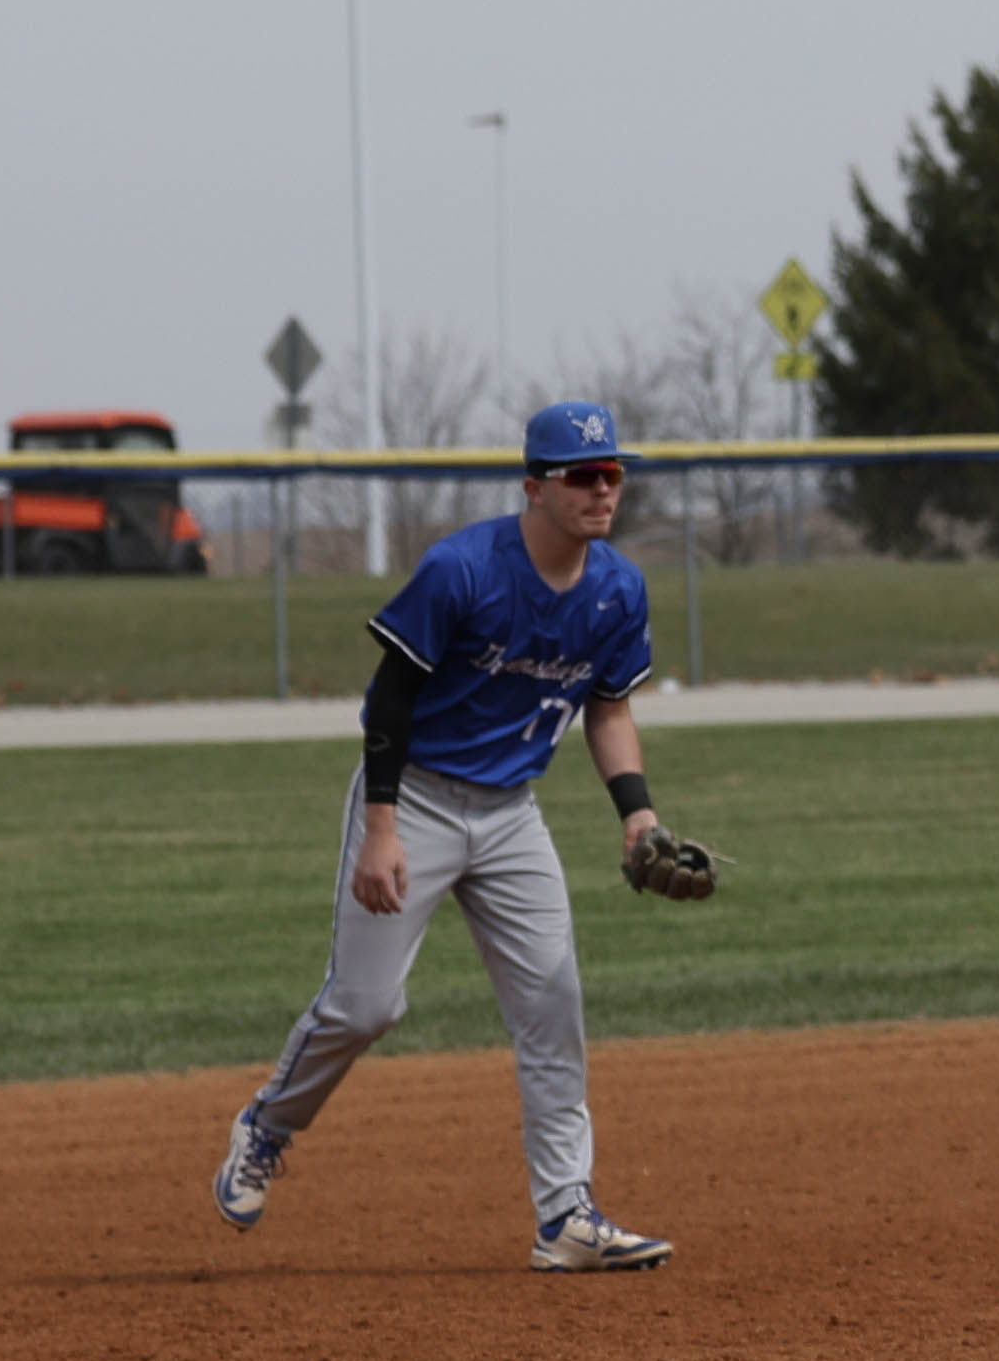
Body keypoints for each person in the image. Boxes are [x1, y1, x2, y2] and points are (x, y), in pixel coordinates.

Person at [211, 398, 685, 1271]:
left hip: (512, 816)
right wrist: (380, 829)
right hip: (415, 798)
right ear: (534, 487)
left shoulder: (618, 589)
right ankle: (266, 1125)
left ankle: (565, 1216)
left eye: (613, 474)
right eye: (583, 475)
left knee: (553, 1008)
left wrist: (639, 815)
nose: (603, 490)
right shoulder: (462, 570)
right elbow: (388, 702)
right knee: (365, 1007)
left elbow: (608, 708)